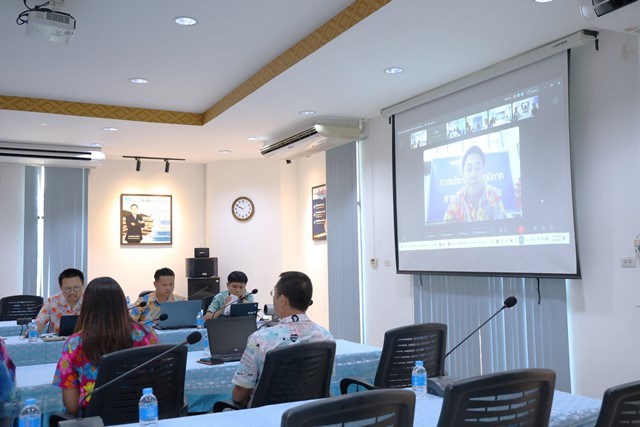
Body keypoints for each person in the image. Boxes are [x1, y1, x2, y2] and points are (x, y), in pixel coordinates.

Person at [52, 277, 158, 414]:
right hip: (143, 414)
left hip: (96, 419)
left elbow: (72, 406)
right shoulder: (147, 335)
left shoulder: (74, 343)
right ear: (121, 303)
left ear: (87, 306)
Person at [231, 271, 334, 408]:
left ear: (282, 300)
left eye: (274, 294)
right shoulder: (325, 337)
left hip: (267, 416)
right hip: (308, 413)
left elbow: (239, 395)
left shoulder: (260, 339)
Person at [443, 145, 507, 222]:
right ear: (463, 174)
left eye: (478, 168)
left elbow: (503, 225)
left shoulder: (492, 195)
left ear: (483, 172)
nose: (473, 175)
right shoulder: (455, 201)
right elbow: (445, 227)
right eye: (469, 169)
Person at [34, 268, 85, 335]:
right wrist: (32, 331)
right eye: (67, 289)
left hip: (83, 340)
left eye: (76, 288)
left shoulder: (90, 301)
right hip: (57, 340)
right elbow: (39, 324)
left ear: (83, 285)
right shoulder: (51, 302)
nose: (72, 292)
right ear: (61, 288)